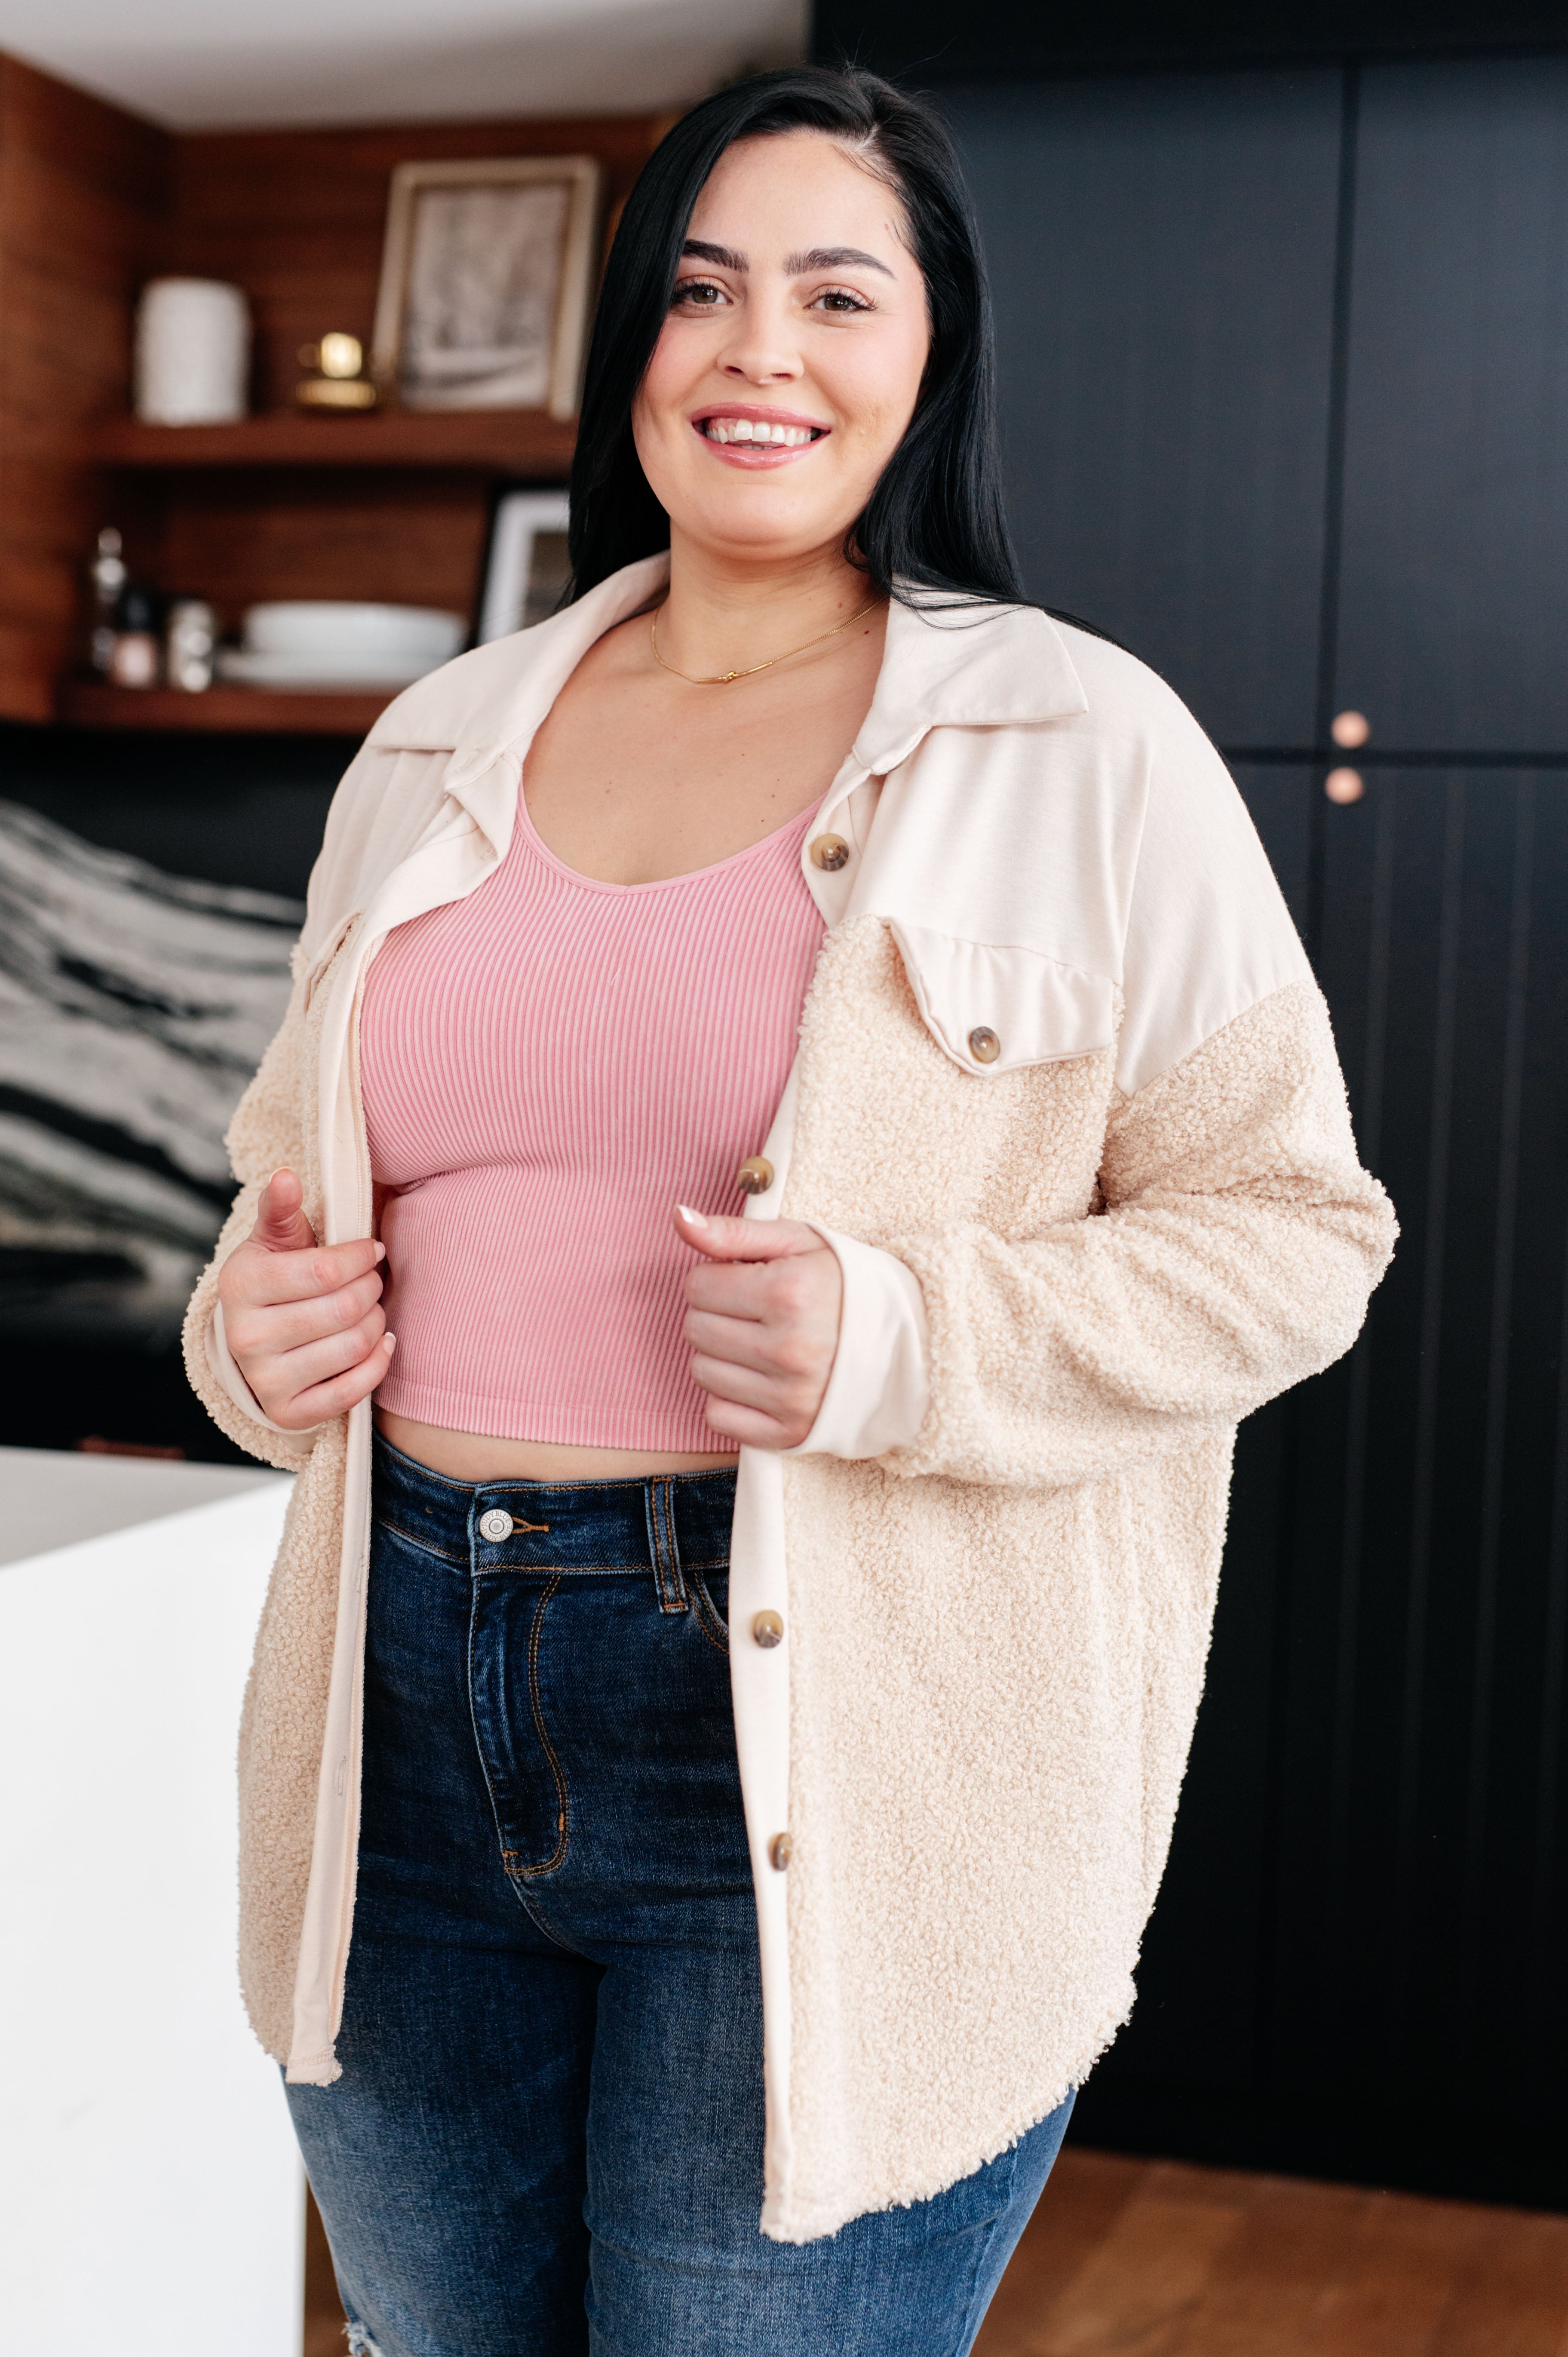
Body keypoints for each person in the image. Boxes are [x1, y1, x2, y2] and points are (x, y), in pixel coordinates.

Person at [185, 64, 1396, 2357]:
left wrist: (900, 1338)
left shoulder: (1080, 745)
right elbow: (274, 1208)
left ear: (926, 361)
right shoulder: (435, 737)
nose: (764, 348)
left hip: (821, 1740)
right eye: (706, 291)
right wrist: (240, 1350)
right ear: (635, 344)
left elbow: (1293, 1229)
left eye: (839, 293)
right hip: (396, 1723)